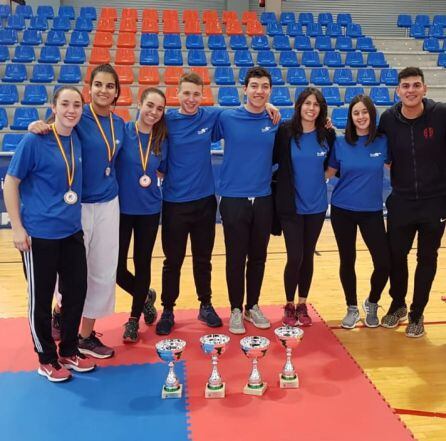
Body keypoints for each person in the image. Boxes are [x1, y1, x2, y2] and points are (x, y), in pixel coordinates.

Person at [155, 72, 280, 335]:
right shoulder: (166, 121)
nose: (190, 99)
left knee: (204, 259)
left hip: (205, 200)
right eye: (186, 93)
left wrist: (268, 104)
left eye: (196, 94)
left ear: (203, 96)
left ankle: (207, 305)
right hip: (175, 201)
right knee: (173, 260)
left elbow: (256, 109)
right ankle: (168, 309)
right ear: (177, 94)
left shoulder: (214, 116)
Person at [29, 64, 126, 357]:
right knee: (72, 274)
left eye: (110, 86)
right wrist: (37, 126)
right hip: (78, 205)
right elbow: (51, 130)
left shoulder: (120, 123)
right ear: (90, 88)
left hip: (109, 203)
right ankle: (62, 313)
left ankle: (85, 335)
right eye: (98, 85)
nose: (104, 91)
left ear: (117, 91)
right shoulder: (79, 116)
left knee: (102, 270)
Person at [4, 86, 96, 382]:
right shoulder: (35, 139)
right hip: (38, 234)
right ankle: (45, 358)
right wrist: (17, 228)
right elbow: (10, 182)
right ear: (54, 107)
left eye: (77, 105)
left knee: (76, 292)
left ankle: (69, 350)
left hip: (71, 232)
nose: (71, 110)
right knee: (40, 300)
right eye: (65, 104)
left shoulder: (77, 139)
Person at [378, 66, 446, 337]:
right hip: (402, 201)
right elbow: (370, 143)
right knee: (396, 257)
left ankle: (417, 312)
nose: (411, 90)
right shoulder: (388, 119)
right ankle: (398, 305)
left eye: (416, 85)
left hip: (435, 202)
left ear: (424, 89)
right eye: (405, 86)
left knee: (427, 258)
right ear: (398, 90)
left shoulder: (440, 114)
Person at [215, 66, 279, 334]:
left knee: (258, 257)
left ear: (270, 91)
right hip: (233, 199)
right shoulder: (226, 118)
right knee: (235, 257)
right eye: (254, 86)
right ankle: (235, 309)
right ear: (245, 89)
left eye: (264, 87)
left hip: (263, 199)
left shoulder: (274, 121)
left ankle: (252, 305)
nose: (259, 91)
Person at [273, 87, 336, 327]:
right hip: (291, 206)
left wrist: (324, 179)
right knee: (295, 255)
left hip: (317, 206)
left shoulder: (326, 134)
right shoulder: (286, 131)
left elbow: (333, 165)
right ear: (299, 105)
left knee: (308, 255)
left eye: (316, 104)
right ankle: (289, 304)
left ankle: (302, 303)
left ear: (321, 109)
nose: (311, 108)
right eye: (307, 103)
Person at [326, 95, 390, 329]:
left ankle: (372, 302)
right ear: (351, 117)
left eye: (365, 112)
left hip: (372, 211)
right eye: (356, 113)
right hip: (342, 209)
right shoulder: (341, 143)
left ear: (372, 115)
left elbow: (401, 167)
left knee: (384, 262)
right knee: (347, 259)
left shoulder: (383, 142)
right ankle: (351, 307)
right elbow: (328, 173)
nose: (361, 116)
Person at [116, 87, 167, 343]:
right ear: (140, 102)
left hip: (149, 210)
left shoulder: (162, 140)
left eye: (159, 109)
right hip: (122, 210)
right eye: (150, 105)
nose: (153, 112)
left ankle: (134, 318)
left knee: (142, 262)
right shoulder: (123, 132)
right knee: (116, 268)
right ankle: (146, 295)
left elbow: (165, 171)